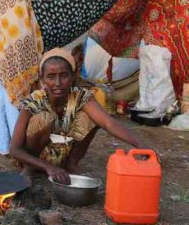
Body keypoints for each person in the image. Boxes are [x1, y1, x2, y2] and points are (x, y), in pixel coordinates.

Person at [9, 48, 147, 185]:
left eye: (63, 75)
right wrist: (48, 167)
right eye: (51, 76)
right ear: (42, 78)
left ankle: (71, 165)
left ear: (73, 76)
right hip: (33, 158)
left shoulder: (81, 97)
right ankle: (30, 168)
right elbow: (14, 149)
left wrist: (140, 145)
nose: (57, 83)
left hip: (61, 157)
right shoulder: (33, 101)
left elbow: (108, 123)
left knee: (91, 118)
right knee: (43, 119)